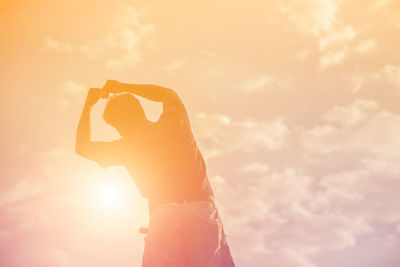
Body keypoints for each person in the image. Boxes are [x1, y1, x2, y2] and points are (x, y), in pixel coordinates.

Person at [75, 80, 235, 267]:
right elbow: (168, 93)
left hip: (164, 216)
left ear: (119, 125)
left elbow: (83, 147)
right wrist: (124, 87)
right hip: (201, 212)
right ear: (140, 112)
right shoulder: (174, 123)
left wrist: (89, 104)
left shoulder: (128, 146)